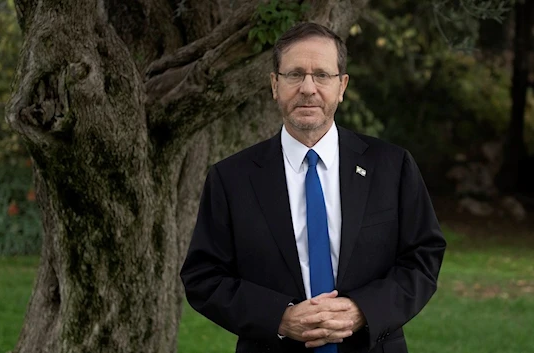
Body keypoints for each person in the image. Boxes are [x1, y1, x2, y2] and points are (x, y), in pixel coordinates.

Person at [180, 22, 446, 353]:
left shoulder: (392, 166)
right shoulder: (231, 178)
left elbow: (423, 257)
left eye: (322, 74)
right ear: (275, 85)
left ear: (342, 86)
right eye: (294, 75)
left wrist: (363, 310)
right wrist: (278, 317)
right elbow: (203, 277)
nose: (308, 88)